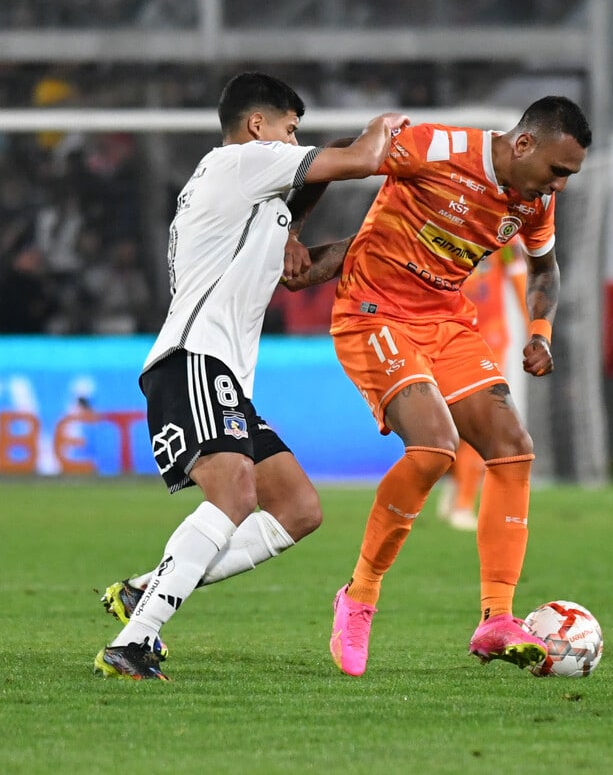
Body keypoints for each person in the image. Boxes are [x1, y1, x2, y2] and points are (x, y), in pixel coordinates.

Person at [94, 72, 408, 680]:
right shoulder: (238, 164)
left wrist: (331, 234)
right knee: (235, 496)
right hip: (193, 360)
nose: (295, 143)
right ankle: (137, 637)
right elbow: (364, 157)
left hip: (221, 374)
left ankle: (145, 589)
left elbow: (301, 240)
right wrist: (387, 128)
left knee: (298, 507)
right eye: (291, 130)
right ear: (259, 126)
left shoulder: (254, 198)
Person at [288, 97, 591, 677]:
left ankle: (496, 620)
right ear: (523, 144)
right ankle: (358, 597)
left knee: (512, 446)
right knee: (433, 448)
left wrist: (540, 332)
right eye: (558, 170)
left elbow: (545, 268)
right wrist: (292, 231)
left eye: (569, 176)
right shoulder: (437, 148)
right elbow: (329, 163)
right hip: (372, 311)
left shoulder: (536, 200)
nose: (561, 185)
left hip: (446, 323)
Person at [436, 242, 529, 531]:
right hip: (447, 335)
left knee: (480, 421)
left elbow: (518, 276)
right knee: (446, 423)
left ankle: (463, 504)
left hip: (490, 338)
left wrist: (533, 330)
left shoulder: (507, 237)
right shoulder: (445, 227)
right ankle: (455, 484)